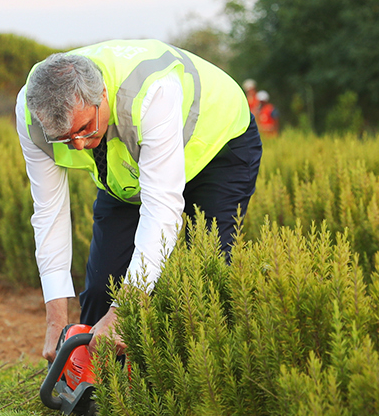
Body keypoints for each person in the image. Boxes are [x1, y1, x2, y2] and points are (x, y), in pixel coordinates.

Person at [17, 40, 261, 362]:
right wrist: (56, 321)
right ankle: (106, 390)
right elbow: (49, 212)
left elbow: (162, 209)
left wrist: (124, 310)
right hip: (129, 168)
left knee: (204, 275)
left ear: (102, 95)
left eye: (84, 129)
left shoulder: (152, 92)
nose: (77, 146)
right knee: (102, 291)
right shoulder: (33, 114)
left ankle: (202, 380)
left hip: (217, 147)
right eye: (64, 138)